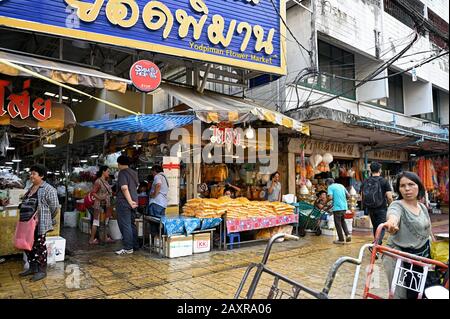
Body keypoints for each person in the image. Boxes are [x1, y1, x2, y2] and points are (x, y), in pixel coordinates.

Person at [383, 171, 435, 299]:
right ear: (398, 189)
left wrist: (435, 252)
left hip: (421, 258)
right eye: (402, 186)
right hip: (398, 258)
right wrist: (391, 223)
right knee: (400, 295)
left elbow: (429, 232)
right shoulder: (397, 205)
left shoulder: (422, 208)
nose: (407, 189)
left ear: (419, 186)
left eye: (411, 184)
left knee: (422, 293)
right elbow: (393, 215)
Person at [18, 164, 59, 281]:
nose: (31, 176)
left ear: (41, 175)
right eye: (31, 173)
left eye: (34, 174)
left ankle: (41, 270)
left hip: (39, 223)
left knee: (39, 247)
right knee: (28, 245)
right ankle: (32, 267)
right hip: (27, 223)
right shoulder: (31, 188)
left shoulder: (48, 189)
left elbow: (55, 207)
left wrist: (47, 217)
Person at [362, 162, 393, 245]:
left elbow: (362, 194)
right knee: (382, 227)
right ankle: (376, 244)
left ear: (370, 170)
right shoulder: (384, 181)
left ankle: (376, 245)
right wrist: (392, 206)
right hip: (381, 208)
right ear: (380, 170)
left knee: (375, 227)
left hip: (370, 208)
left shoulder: (366, 181)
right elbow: (389, 197)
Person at [115, 156, 139, 255]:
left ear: (120, 164)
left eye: (118, 164)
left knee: (125, 225)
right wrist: (132, 200)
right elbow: (137, 186)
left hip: (124, 202)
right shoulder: (134, 173)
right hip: (134, 201)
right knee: (131, 224)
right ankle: (135, 245)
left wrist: (129, 201)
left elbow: (124, 188)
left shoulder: (122, 173)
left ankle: (128, 248)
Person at [89, 166, 113, 245]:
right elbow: (93, 192)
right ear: (103, 171)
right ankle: (92, 239)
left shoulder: (106, 181)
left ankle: (105, 237)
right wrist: (100, 197)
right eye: (108, 171)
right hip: (99, 205)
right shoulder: (98, 181)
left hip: (106, 205)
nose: (109, 173)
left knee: (105, 222)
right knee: (96, 222)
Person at [326, 178, 351, 244]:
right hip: (344, 207)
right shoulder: (341, 185)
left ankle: (341, 239)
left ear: (327, 183)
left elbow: (330, 197)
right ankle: (347, 235)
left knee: (338, 223)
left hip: (337, 207)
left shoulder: (330, 187)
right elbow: (348, 195)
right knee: (343, 221)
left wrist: (328, 201)